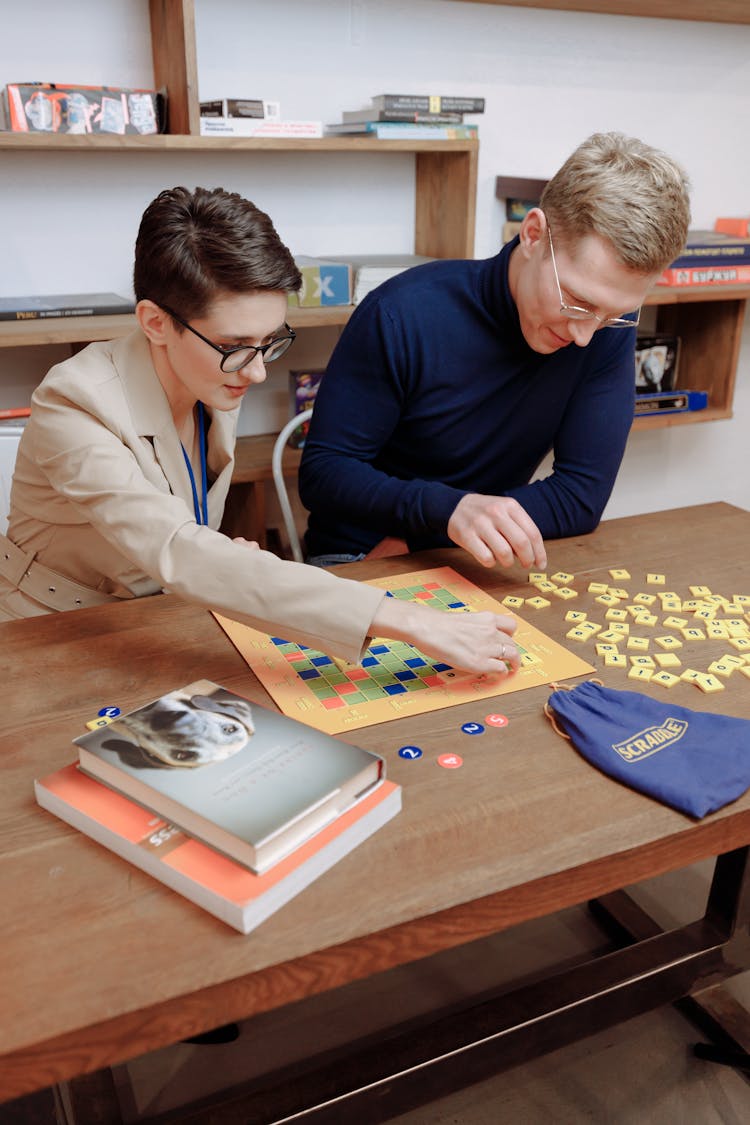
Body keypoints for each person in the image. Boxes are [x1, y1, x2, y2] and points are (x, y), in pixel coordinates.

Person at [0, 186, 519, 675]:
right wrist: (414, 621)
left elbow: (188, 544)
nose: (257, 371)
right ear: (155, 322)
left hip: (165, 615)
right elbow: (177, 549)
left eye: (272, 340)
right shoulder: (73, 403)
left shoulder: (213, 373)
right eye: (236, 346)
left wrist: (216, 556)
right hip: (51, 630)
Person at [299, 132, 691, 571]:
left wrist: (432, 530)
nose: (586, 334)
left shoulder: (602, 327)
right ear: (534, 233)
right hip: (360, 552)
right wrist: (445, 512)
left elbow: (581, 498)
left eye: (614, 312)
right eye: (576, 302)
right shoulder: (401, 314)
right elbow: (324, 474)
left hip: (467, 552)